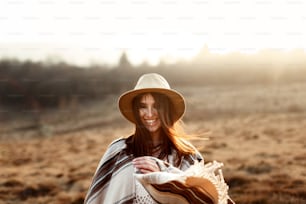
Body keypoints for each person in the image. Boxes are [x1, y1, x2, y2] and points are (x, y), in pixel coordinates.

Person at [84, 73, 210, 204]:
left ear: (167, 109)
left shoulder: (187, 155)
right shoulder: (118, 150)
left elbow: (201, 198)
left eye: (157, 106)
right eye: (143, 107)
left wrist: (164, 174)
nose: (149, 114)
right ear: (136, 110)